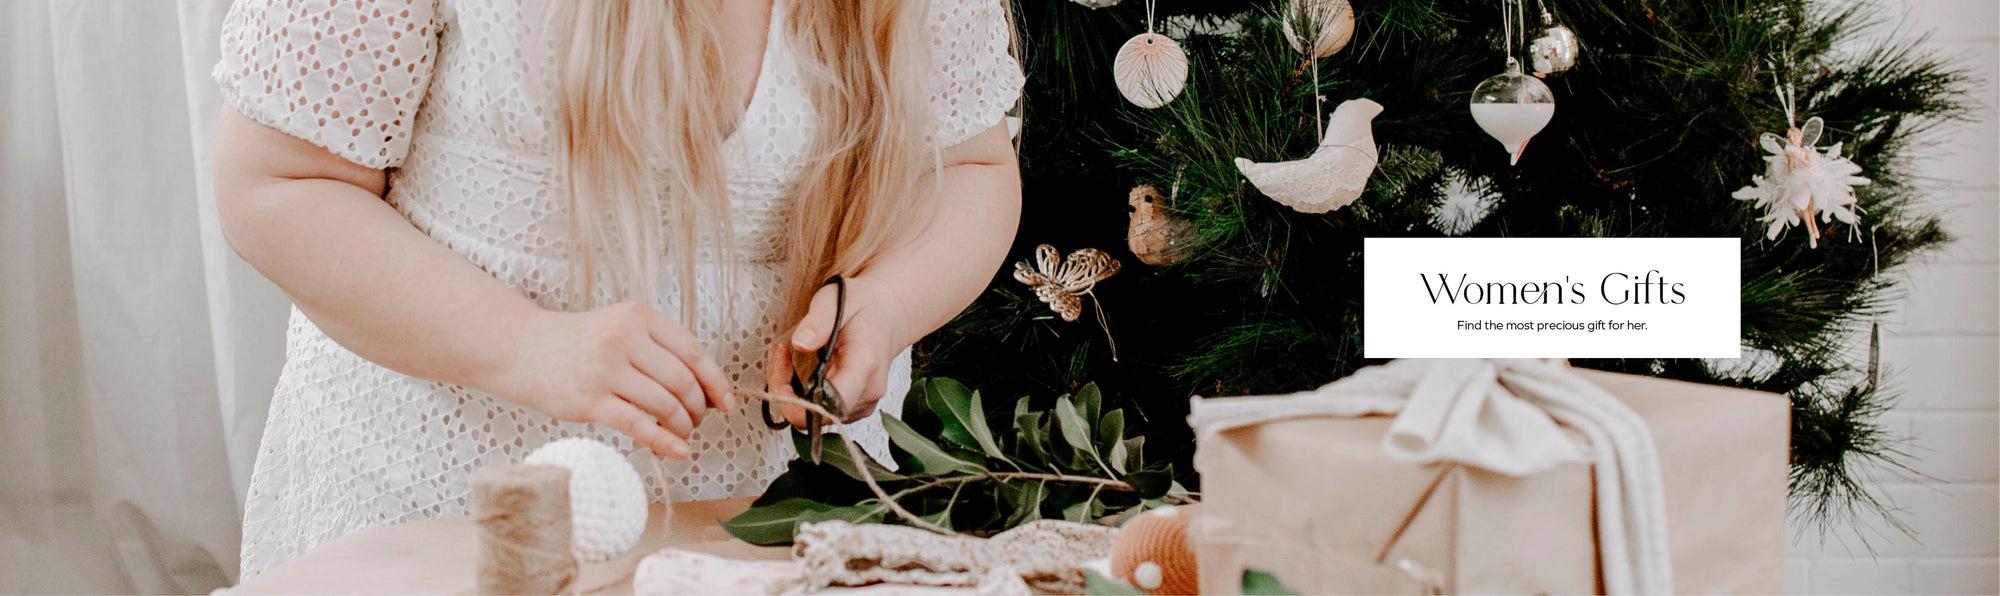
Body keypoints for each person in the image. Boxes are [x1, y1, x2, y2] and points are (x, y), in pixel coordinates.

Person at [210, 0, 1023, 578]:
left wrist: (890, 302)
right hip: (441, 528)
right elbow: (277, 184)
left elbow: (970, 165)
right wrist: (524, 345)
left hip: (773, 543)